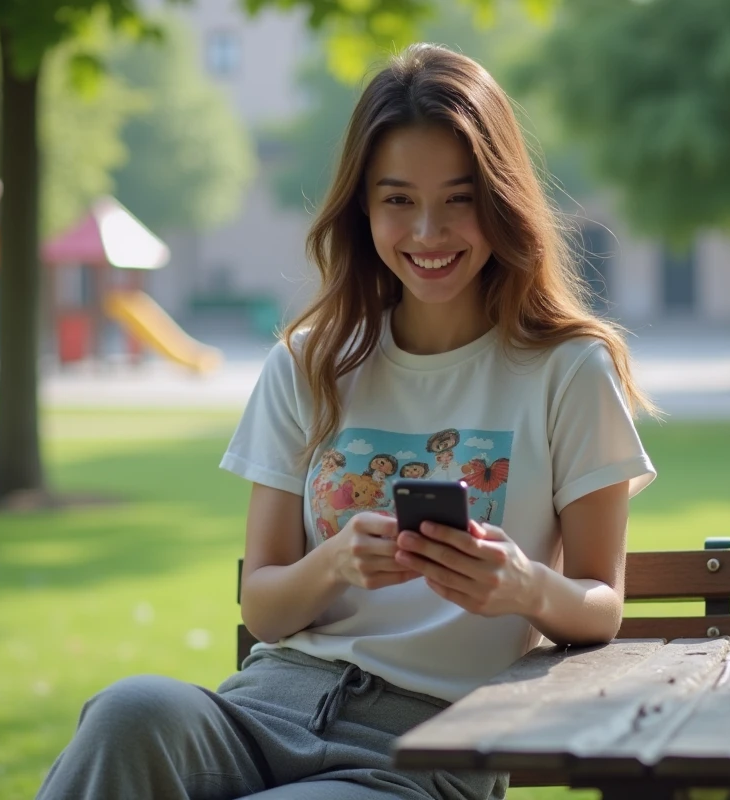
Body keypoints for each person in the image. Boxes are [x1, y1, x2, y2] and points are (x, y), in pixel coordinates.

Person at [35, 42, 657, 800]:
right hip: (266, 711)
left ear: (501, 201)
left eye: (459, 198)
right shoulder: (309, 363)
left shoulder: (569, 370)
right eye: (398, 199)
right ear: (363, 208)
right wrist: (333, 563)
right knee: (127, 713)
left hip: (427, 747)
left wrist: (525, 587)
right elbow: (264, 607)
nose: (428, 231)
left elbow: (600, 603)